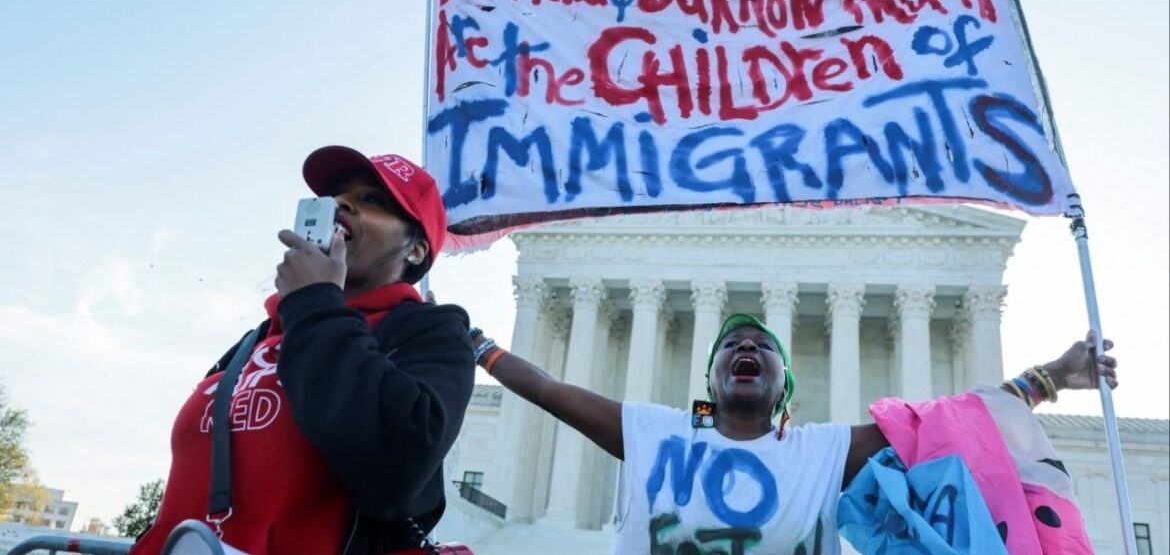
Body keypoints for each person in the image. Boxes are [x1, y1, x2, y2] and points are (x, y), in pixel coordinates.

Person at [470, 313, 1118, 553]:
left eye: (761, 347)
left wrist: (1051, 377)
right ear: (712, 377)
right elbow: (549, 390)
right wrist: (479, 347)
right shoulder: (660, 431)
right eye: (731, 345)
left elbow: (944, 425)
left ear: (784, 387)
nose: (745, 348)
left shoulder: (817, 449)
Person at [131, 147, 475, 555]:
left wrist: (315, 301)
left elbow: (396, 464)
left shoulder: (430, 333)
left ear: (415, 250)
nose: (341, 203)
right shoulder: (255, 340)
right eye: (335, 195)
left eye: (372, 199)